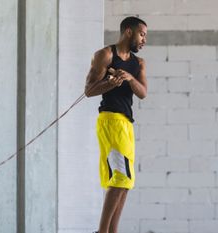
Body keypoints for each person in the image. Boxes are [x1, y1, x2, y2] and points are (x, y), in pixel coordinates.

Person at [84, 16, 147, 233]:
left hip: (126, 124)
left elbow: (143, 93)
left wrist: (129, 78)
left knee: (126, 183)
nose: (144, 40)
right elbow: (89, 90)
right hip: (110, 120)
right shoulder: (105, 55)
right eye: (142, 34)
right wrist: (109, 84)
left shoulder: (138, 64)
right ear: (128, 32)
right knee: (119, 178)